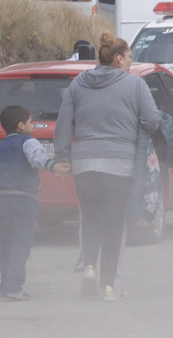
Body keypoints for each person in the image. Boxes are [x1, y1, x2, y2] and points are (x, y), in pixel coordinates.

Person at [54, 32, 162, 300]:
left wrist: (62, 157)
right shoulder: (135, 85)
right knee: (114, 224)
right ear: (117, 58)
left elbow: (63, 124)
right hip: (119, 164)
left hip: (85, 163)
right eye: (128, 57)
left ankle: (89, 267)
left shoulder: (78, 84)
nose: (130, 62)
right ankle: (108, 286)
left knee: (90, 218)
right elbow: (152, 121)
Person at [0, 106, 69, 300]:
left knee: (6, 244)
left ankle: (5, 284)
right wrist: (54, 166)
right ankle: (14, 286)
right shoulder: (28, 142)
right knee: (21, 243)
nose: (32, 125)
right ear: (21, 125)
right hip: (24, 200)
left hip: (1, 200)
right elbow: (38, 158)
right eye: (29, 122)